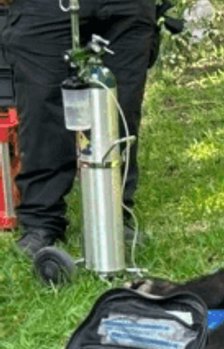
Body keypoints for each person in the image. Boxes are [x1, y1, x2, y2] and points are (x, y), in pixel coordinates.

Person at [2, 0, 156, 256]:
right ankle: (42, 222)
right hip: (43, 7)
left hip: (127, 7)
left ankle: (115, 215)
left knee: (120, 106)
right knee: (42, 109)